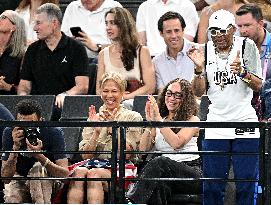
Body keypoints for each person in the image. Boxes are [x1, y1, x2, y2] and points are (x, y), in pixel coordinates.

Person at [187, 9, 262, 205]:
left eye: (222, 31)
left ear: (233, 30)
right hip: (216, 124)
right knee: (212, 184)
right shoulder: (204, 50)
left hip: (244, 122)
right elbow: (197, 92)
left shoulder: (247, 46)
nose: (218, 36)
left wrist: (243, 72)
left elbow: (259, 85)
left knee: (246, 184)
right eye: (213, 31)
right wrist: (197, 70)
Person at [67, 72, 143, 204]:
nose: (109, 95)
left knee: (94, 174)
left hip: (122, 168)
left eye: (114, 91)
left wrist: (111, 128)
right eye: (105, 91)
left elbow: (128, 154)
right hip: (94, 165)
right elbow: (86, 156)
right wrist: (96, 132)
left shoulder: (133, 117)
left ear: (122, 93)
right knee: (78, 172)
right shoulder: (94, 118)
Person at [126, 78, 202, 205]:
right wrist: (151, 123)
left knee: (160, 161)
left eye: (178, 95)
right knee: (159, 184)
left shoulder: (192, 120)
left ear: (186, 99)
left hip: (190, 173)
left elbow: (177, 144)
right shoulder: (160, 120)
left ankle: (132, 202)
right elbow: (143, 150)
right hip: (164, 174)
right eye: (169, 93)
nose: (172, 98)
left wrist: (159, 121)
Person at [17, 3, 89, 120]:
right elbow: (24, 85)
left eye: (39, 23)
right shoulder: (32, 50)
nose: (35, 28)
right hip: (37, 107)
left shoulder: (76, 48)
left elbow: (82, 86)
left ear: (54, 23)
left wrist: (65, 95)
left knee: (57, 108)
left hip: (64, 106)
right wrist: (23, 99)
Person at [1, 99, 69, 203]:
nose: (27, 128)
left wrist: (39, 156)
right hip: (20, 178)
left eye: (31, 124)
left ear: (40, 120)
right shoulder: (9, 132)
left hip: (48, 180)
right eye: (22, 124)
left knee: (37, 170)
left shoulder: (53, 132)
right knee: (12, 198)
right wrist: (15, 148)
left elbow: (64, 174)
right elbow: (6, 178)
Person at [96, 7, 155, 101]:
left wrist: (124, 97)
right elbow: (99, 90)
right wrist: (114, 97)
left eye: (113, 23)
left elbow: (150, 87)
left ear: (124, 25)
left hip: (135, 103)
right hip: (110, 104)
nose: (108, 27)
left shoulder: (142, 51)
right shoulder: (103, 54)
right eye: (106, 23)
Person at [236, 3, 271, 120]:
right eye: (239, 26)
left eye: (247, 25)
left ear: (260, 24)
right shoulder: (236, 47)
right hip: (244, 107)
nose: (242, 31)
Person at [154, 11, 201, 93]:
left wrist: (199, 69)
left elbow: (200, 93)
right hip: (170, 104)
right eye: (169, 31)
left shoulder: (199, 51)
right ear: (161, 33)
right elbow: (162, 94)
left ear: (183, 30)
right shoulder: (157, 62)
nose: (173, 36)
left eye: (176, 30)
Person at [0, 10, 26, 95]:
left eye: (4, 17)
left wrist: (8, 87)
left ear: (14, 27)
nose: (0, 19)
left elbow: (27, 89)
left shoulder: (21, 55)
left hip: (8, 102)